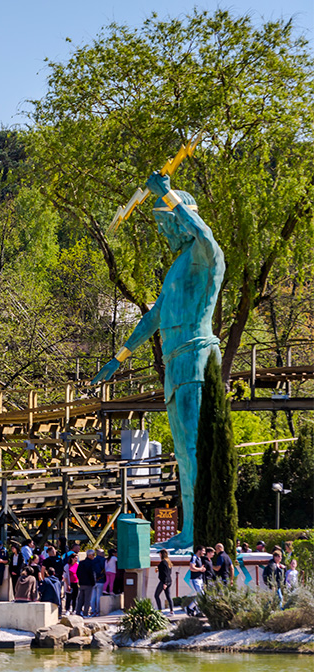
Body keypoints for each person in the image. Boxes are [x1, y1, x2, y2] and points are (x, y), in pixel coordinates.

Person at [92, 172, 224, 550]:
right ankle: (189, 530)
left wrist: (167, 194)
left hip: (196, 356)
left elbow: (205, 235)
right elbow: (153, 318)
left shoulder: (204, 254)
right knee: (182, 453)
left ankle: (200, 532)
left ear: (180, 218)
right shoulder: (178, 266)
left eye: (166, 225)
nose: (165, 234)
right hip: (175, 365)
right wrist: (118, 359)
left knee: (197, 448)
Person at [76, 550, 97, 616]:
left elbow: (77, 572)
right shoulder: (91, 563)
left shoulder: (81, 563)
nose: (94, 556)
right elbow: (92, 573)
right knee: (87, 599)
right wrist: (93, 582)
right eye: (93, 554)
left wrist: (80, 580)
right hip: (89, 584)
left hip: (82, 583)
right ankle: (85, 613)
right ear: (89, 555)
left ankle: (78, 611)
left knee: (80, 599)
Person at [154, 550, 173, 614]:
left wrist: (165, 583)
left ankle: (160, 610)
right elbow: (168, 572)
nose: (159, 555)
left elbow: (165, 573)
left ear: (162, 554)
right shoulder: (168, 562)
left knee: (156, 595)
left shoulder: (163, 562)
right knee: (168, 596)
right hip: (169, 580)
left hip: (164, 581)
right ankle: (171, 611)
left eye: (160, 554)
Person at [89, 548, 107, 616]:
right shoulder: (103, 560)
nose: (104, 554)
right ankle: (98, 611)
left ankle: (93, 610)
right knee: (99, 596)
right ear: (100, 553)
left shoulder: (93, 560)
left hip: (93, 581)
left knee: (93, 597)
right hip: (101, 580)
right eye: (103, 553)